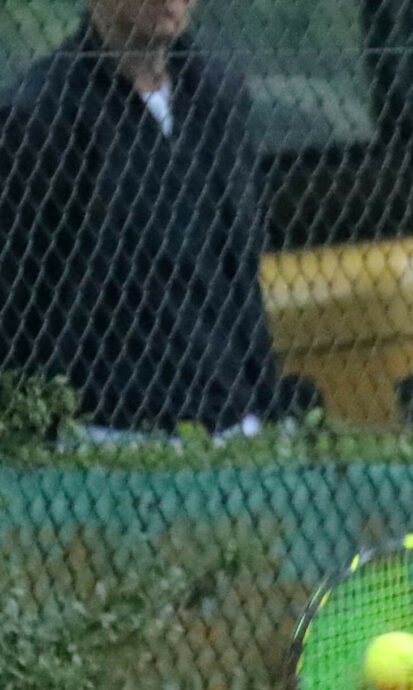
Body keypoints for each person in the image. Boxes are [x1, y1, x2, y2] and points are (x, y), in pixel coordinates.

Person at [0, 0, 277, 437]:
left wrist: (264, 406)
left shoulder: (219, 96)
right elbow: (20, 298)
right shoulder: (40, 115)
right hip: (109, 432)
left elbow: (240, 269)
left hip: (235, 423)